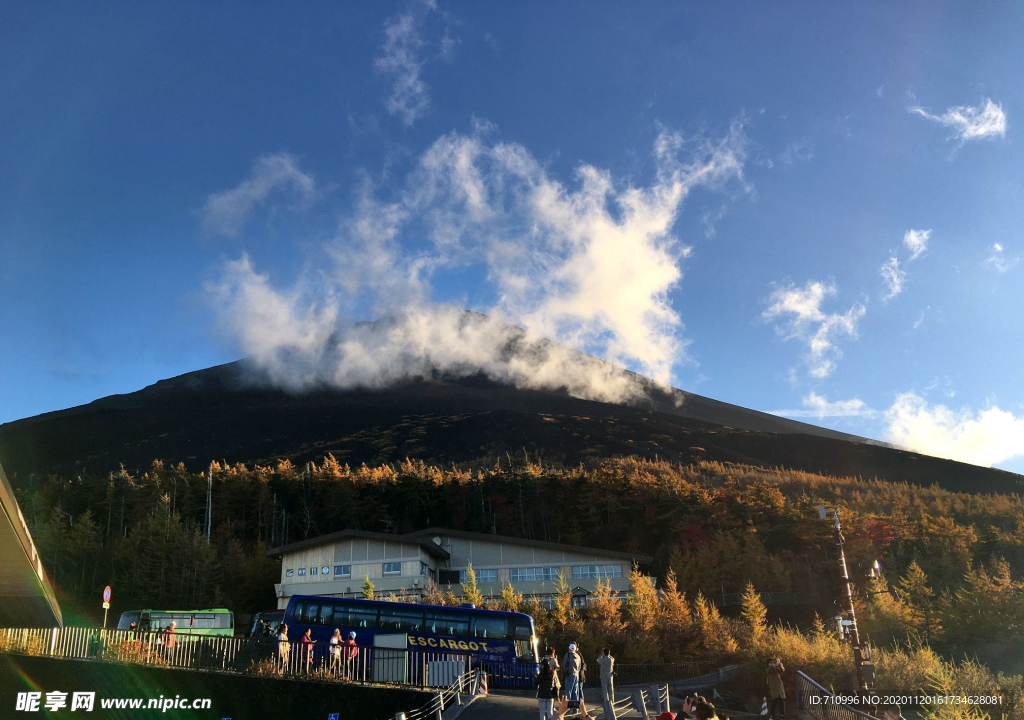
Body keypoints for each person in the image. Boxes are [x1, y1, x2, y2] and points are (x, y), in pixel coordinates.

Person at [560, 643, 593, 719]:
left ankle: (567, 708)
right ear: (575, 649)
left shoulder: (567, 655)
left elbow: (564, 664)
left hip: (569, 675)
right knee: (575, 692)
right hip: (576, 675)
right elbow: (580, 666)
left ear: (569, 648)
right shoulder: (578, 656)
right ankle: (575, 708)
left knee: (568, 692)